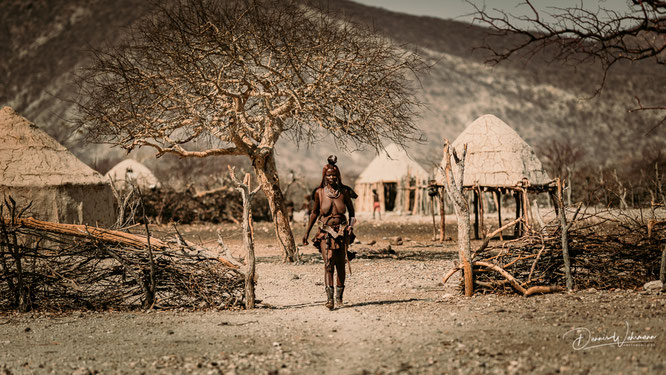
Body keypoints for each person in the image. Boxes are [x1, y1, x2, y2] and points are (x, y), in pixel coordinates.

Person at [302, 155, 356, 310]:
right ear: (324, 177)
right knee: (328, 263)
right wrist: (307, 232)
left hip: (342, 233)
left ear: (338, 176)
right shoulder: (319, 193)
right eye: (329, 175)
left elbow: (352, 213)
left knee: (340, 264)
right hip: (325, 232)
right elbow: (314, 213)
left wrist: (350, 227)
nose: (331, 177)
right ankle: (329, 299)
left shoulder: (344, 192)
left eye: (334, 175)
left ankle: (339, 297)